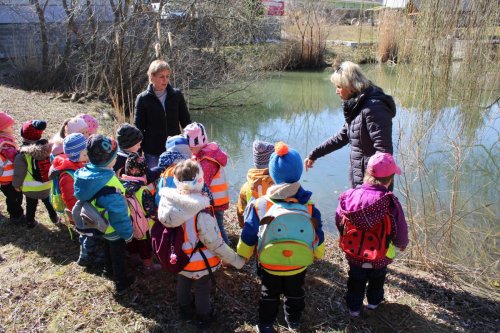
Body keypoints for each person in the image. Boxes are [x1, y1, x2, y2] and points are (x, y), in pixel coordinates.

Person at [237, 142, 325, 333]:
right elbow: (318, 233)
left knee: (269, 293)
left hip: (270, 262)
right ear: (299, 172)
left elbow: (249, 232)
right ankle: (293, 321)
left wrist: (243, 253)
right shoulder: (309, 206)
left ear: (272, 174)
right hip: (298, 262)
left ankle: (266, 323)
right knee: (296, 292)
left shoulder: (260, 205)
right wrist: (318, 252)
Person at [157, 159, 244, 327]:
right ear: (200, 180)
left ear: (176, 181)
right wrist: (236, 260)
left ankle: (184, 309)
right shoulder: (201, 211)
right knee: (202, 288)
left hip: (180, 257)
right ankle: (204, 316)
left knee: (183, 282)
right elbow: (214, 242)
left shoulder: (168, 203)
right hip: (200, 261)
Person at [335, 152, 408, 317]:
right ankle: (374, 303)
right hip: (379, 255)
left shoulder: (349, 196)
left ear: (367, 173)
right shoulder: (390, 202)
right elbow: (400, 227)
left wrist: (343, 234)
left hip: (354, 253)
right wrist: (401, 243)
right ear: (389, 180)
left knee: (355, 280)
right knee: (377, 279)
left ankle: (354, 309)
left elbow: (339, 219)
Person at [304, 61, 396, 189]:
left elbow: (384, 154)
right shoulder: (357, 105)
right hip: (360, 181)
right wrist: (314, 154)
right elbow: (342, 137)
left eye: (339, 87)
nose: (337, 91)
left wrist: (373, 188)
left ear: (351, 86)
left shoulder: (374, 107)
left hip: (374, 187)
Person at [74, 134, 135, 294]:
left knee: (107, 248)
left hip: (99, 223)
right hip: (113, 227)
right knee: (118, 255)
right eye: (115, 157)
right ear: (110, 160)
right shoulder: (108, 183)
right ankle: (121, 283)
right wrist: (127, 233)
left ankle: (108, 271)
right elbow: (118, 213)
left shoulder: (86, 174)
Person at [49, 133, 103, 267]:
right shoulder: (67, 175)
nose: (88, 157)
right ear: (74, 155)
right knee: (88, 236)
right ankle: (86, 257)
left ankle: (90, 252)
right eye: (85, 155)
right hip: (81, 212)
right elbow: (70, 198)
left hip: (88, 209)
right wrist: (81, 212)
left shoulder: (79, 164)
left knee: (91, 234)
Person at [134, 59, 192, 168]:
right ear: (152, 77)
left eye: (167, 76)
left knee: (177, 182)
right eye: (161, 76)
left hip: (176, 149)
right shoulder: (142, 99)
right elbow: (138, 128)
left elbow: (186, 123)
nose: (165, 80)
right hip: (152, 152)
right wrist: (137, 153)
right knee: (156, 182)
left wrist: (193, 144)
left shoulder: (176, 95)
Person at [184, 122, 231, 245]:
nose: (190, 149)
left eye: (191, 146)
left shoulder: (207, 161)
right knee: (217, 224)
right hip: (215, 199)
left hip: (215, 201)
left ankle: (227, 253)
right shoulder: (204, 154)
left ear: (196, 143)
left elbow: (203, 183)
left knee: (218, 226)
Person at [120, 153, 161, 274]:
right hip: (143, 226)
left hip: (128, 223)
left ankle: (134, 259)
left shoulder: (121, 186)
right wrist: (158, 218)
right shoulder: (143, 190)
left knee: (131, 243)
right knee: (145, 246)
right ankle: (148, 267)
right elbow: (151, 211)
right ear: (143, 172)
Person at [12, 120, 58, 228]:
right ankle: (54, 217)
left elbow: (19, 173)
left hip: (30, 188)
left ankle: (30, 222)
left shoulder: (23, 155)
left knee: (31, 205)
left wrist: (16, 185)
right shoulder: (48, 150)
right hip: (46, 185)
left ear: (23, 135)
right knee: (48, 202)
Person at [236, 140, 274, 228]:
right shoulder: (278, 184)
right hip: (276, 230)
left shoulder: (246, 186)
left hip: (252, 230)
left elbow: (240, 211)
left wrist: (243, 227)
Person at [0, 112, 24, 224]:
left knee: (11, 195)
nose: (12, 127)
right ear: (2, 128)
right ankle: (16, 215)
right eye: (10, 125)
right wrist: (22, 153)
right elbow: (14, 157)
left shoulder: (4, 139)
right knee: (14, 197)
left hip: (4, 175)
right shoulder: (4, 144)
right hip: (8, 177)